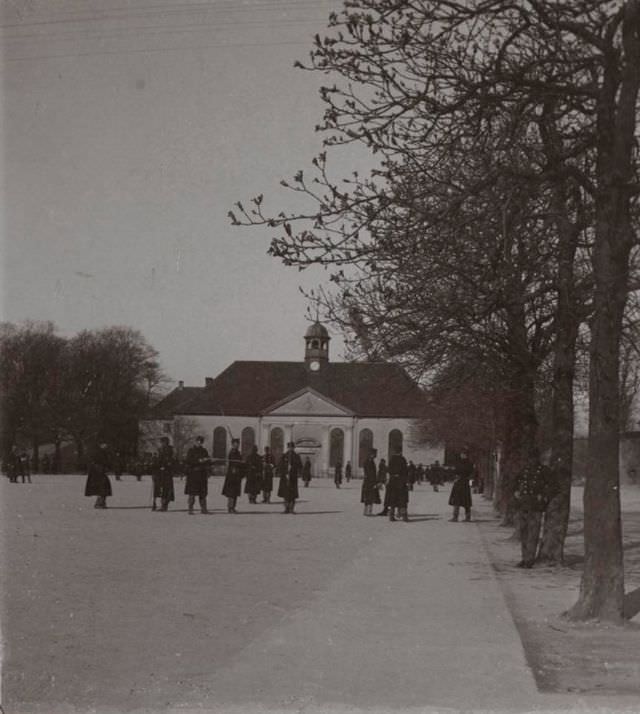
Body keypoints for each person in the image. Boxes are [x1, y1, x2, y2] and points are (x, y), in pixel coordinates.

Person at [513, 456, 554, 568]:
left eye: (533, 458)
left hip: (536, 505)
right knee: (524, 532)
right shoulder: (524, 470)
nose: (531, 460)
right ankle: (524, 558)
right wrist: (516, 491)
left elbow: (553, 485)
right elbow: (515, 482)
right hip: (523, 504)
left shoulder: (543, 470)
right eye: (529, 459)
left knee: (533, 533)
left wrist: (544, 495)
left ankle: (530, 560)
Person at [184, 435, 210, 514]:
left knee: (203, 493)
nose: (199, 443)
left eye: (201, 441)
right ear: (196, 441)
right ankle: (190, 508)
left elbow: (208, 463)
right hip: (193, 474)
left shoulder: (204, 451)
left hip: (202, 475)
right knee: (192, 493)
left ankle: (204, 508)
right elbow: (188, 461)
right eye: (198, 441)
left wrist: (208, 460)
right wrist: (199, 460)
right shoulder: (191, 450)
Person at [84, 440, 112, 509]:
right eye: (104, 444)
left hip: (100, 472)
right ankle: (100, 503)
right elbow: (97, 462)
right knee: (102, 487)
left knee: (103, 488)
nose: (106, 446)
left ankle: (101, 502)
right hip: (98, 472)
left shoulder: (102, 452)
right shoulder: (98, 452)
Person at [277, 441, 302, 513]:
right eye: (289, 447)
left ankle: (292, 508)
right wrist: (284, 471)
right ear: (287, 448)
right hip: (285, 477)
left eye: (292, 447)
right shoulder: (284, 456)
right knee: (285, 493)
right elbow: (280, 465)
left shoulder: (296, 456)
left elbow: (300, 466)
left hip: (293, 477)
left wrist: (293, 468)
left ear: (294, 448)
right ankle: (286, 508)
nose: (290, 449)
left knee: (292, 494)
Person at [152, 436, 176, 512]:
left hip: (167, 472)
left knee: (166, 489)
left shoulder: (170, 450)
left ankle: (164, 505)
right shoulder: (160, 450)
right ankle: (161, 504)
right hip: (159, 472)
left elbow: (171, 461)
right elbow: (157, 460)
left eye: (164, 442)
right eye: (162, 442)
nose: (162, 444)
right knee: (159, 488)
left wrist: (165, 466)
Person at [448, 453, 473, 522]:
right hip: (460, 483)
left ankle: (467, 517)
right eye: (462, 454)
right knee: (458, 501)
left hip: (463, 484)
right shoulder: (463, 463)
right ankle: (455, 516)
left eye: (464, 454)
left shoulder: (468, 464)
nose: (463, 455)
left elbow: (471, 475)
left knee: (465, 502)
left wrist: (470, 484)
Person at [386, 447, 409, 522]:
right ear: (401, 452)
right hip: (401, 481)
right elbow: (405, 471)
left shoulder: (391, 459)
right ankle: (404, 516)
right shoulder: (402, 459)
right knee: (402, 499)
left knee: (392, 498)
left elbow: (389, 470)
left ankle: (391, 516)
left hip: (392, 481)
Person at [222, 437, 243, 513]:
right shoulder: (232, 452)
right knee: (231, 492)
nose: (237, 445)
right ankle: (230, 507)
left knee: (235, 492)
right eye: (235, 444)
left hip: (237, 475)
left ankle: (233, 507)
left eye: (237, 444)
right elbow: (232, 463)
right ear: (232, 444)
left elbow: (239, 463)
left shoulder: (238, 453)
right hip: (231, 475)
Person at [361, 448, 381, 515]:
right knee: (370, 496)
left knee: (367, 496)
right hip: (370, 482)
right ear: (372, 454)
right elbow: (371, 473)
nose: (376, 455)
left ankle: (366, 511)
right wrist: (375, 482)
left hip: (367, 481)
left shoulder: (367, 461)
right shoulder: (370, 462)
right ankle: (369, 511)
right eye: (375, 454)